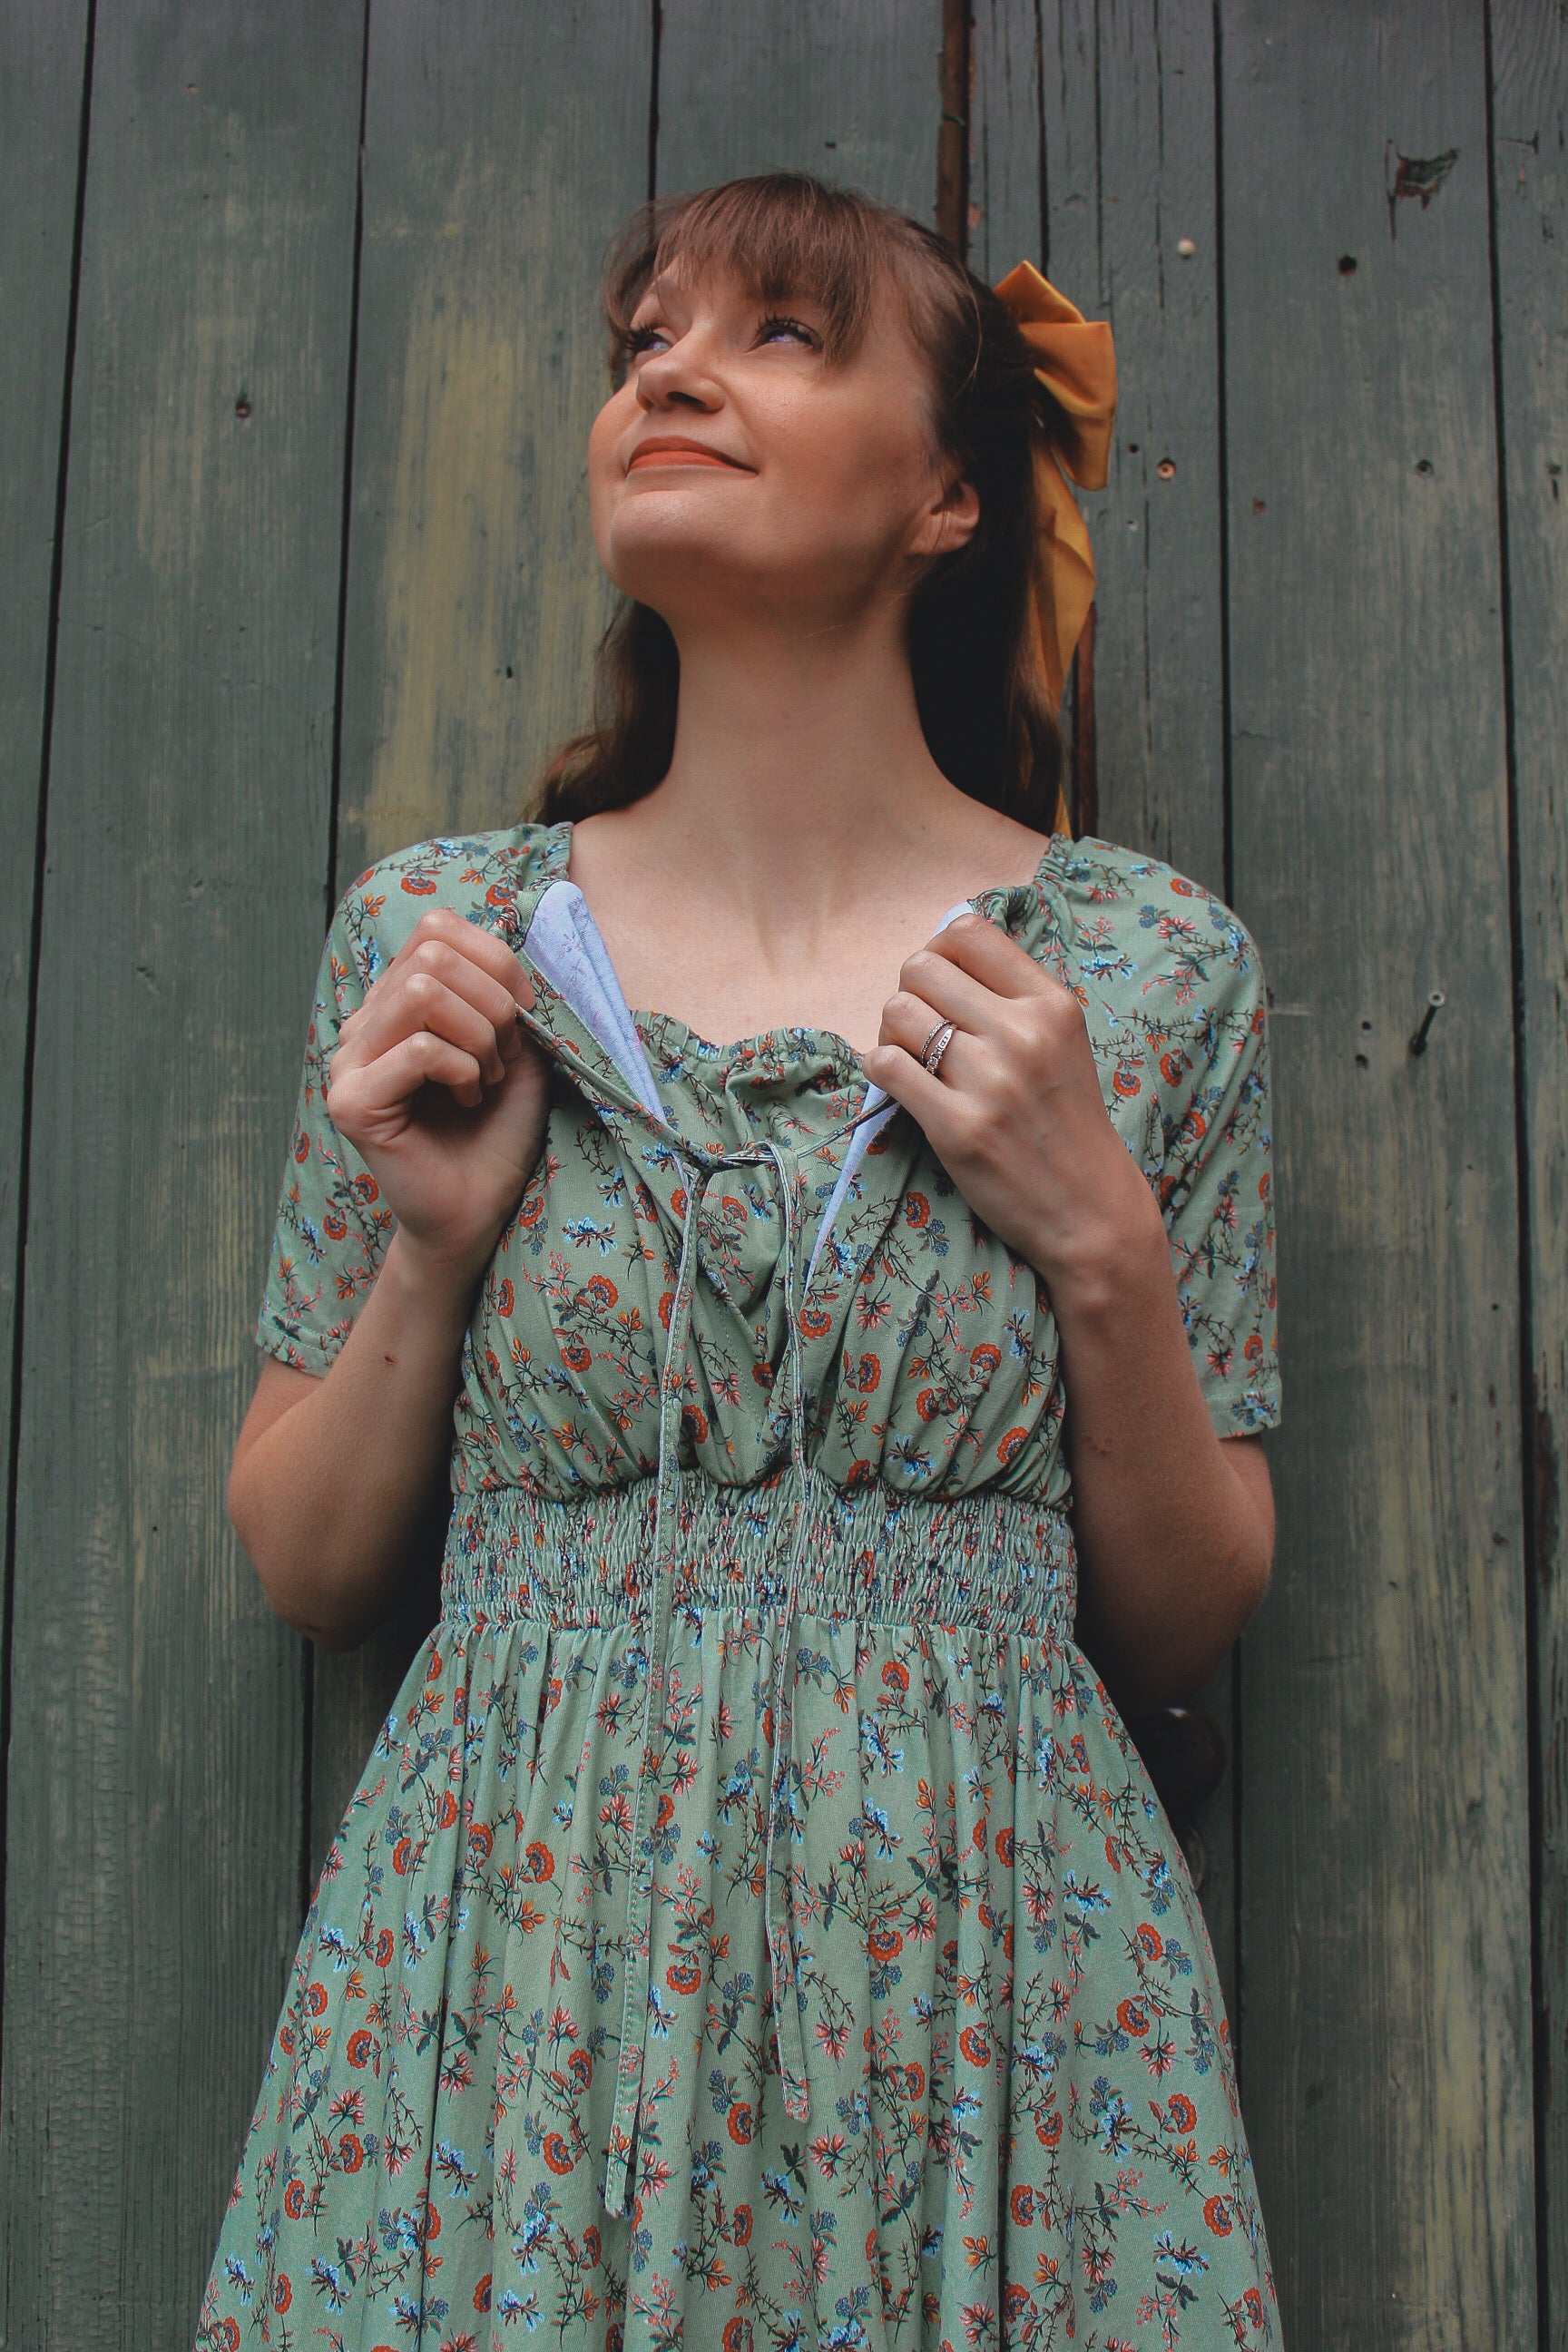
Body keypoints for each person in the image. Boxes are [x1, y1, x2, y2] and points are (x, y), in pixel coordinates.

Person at [196, 172, 1281, 2351]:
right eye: (643, 342)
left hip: (994, 1994)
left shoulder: (1147, 976)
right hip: (515, 1985)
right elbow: (311, 1564)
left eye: (782, 332)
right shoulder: (452, 946)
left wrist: (1100, 1247)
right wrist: (433, 1253)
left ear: (951, 500)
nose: (669, 372)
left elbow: (1189, 1601)